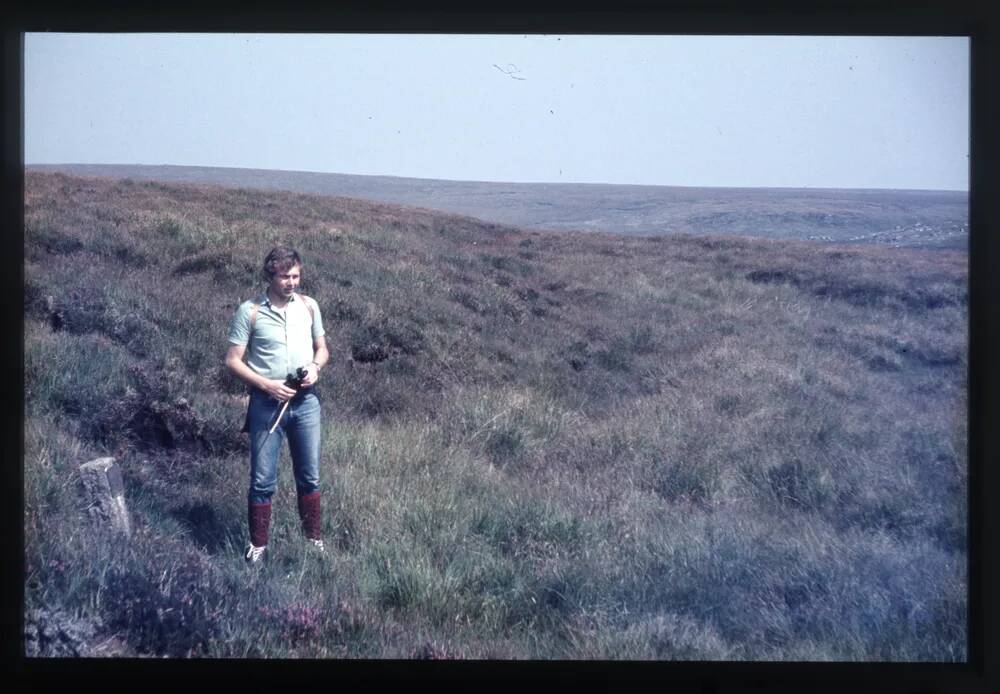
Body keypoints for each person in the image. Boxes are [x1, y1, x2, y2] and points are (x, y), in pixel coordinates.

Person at [225, 246, 329, 563]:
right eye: (285, 276)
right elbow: (232, 361)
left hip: (306, 403)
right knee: (262, 480)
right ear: (269, 275)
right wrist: (266, 384)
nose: (291, 282)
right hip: (266, 404)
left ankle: (312, 540)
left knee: (309, 476)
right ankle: (258, 546)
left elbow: (322, 349)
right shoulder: (250, 311)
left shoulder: (309, 306)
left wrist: (315, 367)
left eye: (295, 275)